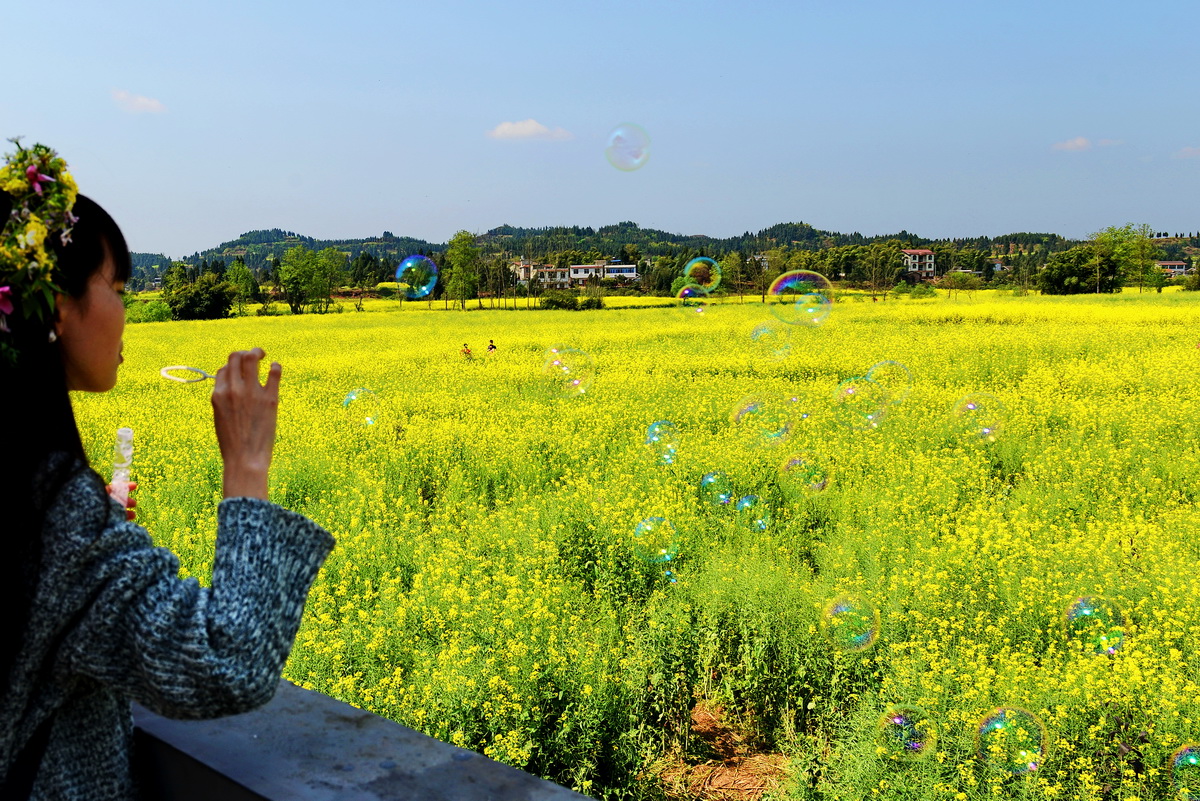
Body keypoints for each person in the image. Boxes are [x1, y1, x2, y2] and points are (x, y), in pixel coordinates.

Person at [0, 142, 335, 799]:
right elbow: (228, 659)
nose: (128, 311)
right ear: (59, 307)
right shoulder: (51, 511)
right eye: (118, 288)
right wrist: (246, 463)